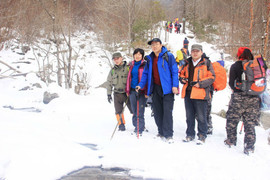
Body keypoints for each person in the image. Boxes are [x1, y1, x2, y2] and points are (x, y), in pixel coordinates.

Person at [136, 38, 179, 143]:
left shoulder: (168, 56)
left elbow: (174, 72)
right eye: (152, 45)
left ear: (161, 45)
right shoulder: (150, 58)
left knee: (167, 112)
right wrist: (140, 85)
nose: (154, 46)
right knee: (157, 112)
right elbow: (146, 74)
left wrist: (175, 86)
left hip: (167, 89)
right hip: (155, 88)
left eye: (156, 44)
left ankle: (168, 134)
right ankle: (161, 131)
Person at [224, 47, 261, 155]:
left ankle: (231, 140)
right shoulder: (256, 66)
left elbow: (231, 83)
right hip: (254, 98)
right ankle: (249, 147)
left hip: (238, 98)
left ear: (239, 54)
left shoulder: (236, 66)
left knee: (232, 119)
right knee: (250, 123)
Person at [179, 44, 215, 144]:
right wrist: (182, 79)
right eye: (193, 51)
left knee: (201, 116)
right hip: (188, 93)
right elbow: (181, 73)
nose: (195, 53)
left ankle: (202, 135)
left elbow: (212, 77)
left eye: (197, 51)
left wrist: (200, 84)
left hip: (201, 94)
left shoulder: (206, 63)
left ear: (201, 52)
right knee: (189, 116)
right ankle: (190, 134)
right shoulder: (187, 62)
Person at [106, 52, 132, 131]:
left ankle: (138, 125)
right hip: (117, 94)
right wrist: (109, 94)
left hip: (127, 93)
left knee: (133, 110)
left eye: (118, 58)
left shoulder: (128, 68)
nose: (116, 60)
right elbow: (109, 82)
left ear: (121, 58)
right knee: (118, 111)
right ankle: (121, 125)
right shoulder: (113, 71)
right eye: (114, 59)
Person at [126, 48, 147, 135]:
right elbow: (128, 78)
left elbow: (147, 79)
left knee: (140, 110)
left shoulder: (145, 65)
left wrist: (146, 92)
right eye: (136, 54)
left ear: (142, 56)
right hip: (132, 90)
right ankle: (136, 125)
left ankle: (140, 128)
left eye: (139, 54)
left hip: (141, 91)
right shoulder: (131, 65)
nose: (137, 56)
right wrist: (127, 89)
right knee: (134, 110)